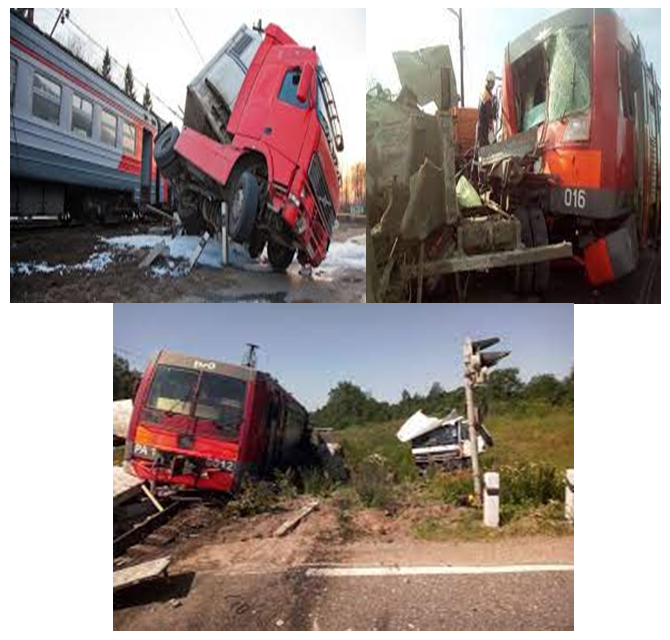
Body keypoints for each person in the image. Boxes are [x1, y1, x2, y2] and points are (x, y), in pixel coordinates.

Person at [477, 71, 497, 150]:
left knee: (483, 148)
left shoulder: (485, 93)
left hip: (482, 127)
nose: (493, 85)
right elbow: (489, 115)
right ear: (489, 82)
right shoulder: (486, 96)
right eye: (492, 83)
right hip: (484, 129)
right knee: (488, 147)